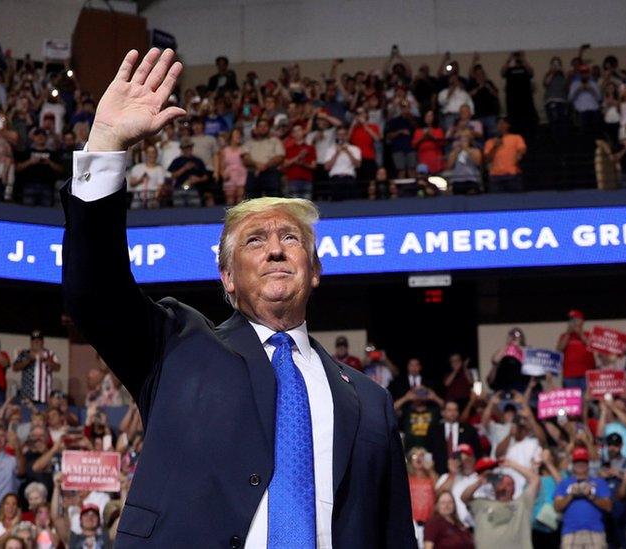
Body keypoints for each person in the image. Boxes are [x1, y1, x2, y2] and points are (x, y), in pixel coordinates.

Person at [62, 48, 414, 547]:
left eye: (291, 239)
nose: (275, 249)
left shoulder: (372, 403)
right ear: (227, 277)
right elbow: (93, 294)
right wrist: (105, 145)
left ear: (315, 271)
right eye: (255, 240)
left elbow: (393, 535)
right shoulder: (177, 345)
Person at [462, 459, 540, 549]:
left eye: (509, 483)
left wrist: (512, 464)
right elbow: (464, 497)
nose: (504, 484)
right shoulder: (482, 503)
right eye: (501, 481)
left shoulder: (522, 504)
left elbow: (535, 480)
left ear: (514, 488)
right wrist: (479, 482)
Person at [555, 446, 613, 548]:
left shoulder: (599, 482)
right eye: (577, 462)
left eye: (583, 462)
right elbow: (557, 506)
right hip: (570, 532)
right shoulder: (564, 483)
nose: (580, 465)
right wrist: (571, 495)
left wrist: (591, 496)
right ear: (573, 464)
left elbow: (608, 506)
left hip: (595, 531)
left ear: (588, 464)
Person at [426, 402, 480, 475]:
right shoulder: (434, 430)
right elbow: (429, 450)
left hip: (464, 472)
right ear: (443, 412)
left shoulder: (469, 429)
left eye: (455, 410)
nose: (453, 413)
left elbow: (477, 450)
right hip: (439, 471)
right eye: (449, 410)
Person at [12, 330, 61, 405]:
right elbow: (15, 367)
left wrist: (46, 360)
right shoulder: (24, 353)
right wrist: (29, 360)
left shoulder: (50, 353)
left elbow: (58, 367)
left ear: (42, 342)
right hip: (27, 396)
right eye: (34, 340)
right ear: (31, 342)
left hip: (45, 397)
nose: (36, 342)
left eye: (38, 340)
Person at [483, 117, 526, 193]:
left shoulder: (516, 137)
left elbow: (522, 149)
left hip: (513, 174)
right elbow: (487, 159)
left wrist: (519, 155)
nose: (501, 125)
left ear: (508, 125)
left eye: (503, 123)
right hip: (495, 177)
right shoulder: (489, 142)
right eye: (499, 123)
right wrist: (495, 147)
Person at [557, 310, 595, 390]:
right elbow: (559, 350)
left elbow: (592, 347)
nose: (573, 322)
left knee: (586, 400)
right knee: (573, 400)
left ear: (582, 321)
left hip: (586, 374)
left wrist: (580, 334)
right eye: (571, 320)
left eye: (575, 320)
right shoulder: (564, 336)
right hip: (569, 375)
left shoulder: (589, 334)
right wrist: (568, 334)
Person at [324, 125, 361, 201]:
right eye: (340, 135)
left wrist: (348, 152)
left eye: (344, 134)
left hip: (349, 179)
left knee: (352, 203)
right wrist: (336, 153)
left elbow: (358, 165)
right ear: (336, 136)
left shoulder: (355, 149)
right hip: (335, 180)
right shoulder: (330, 149)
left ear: (347, 136)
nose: (342, 137)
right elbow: (326, 167)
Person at [218, 127, 248, 205]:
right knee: (230, 200)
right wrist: (223, 175)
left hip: (241, 175)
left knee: (240, 199)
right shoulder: (224, 151)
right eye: (236, 134)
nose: (238, 136)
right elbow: (221, 167)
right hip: (229, 175)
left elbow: (247, 163)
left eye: (239, 135)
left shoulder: (243, 149)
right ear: (231, 136)